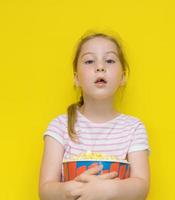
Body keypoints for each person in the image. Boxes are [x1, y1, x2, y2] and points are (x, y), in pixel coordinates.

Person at [39, 31, 151, 200]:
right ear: (76, 78)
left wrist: (108, 190)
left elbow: (141, 186)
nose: (100, 67)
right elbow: (45, 190)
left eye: (110, 60)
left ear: (123, 77)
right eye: (90, 61)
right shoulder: (60, 126)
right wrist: (70, 191)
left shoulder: (133, 128)